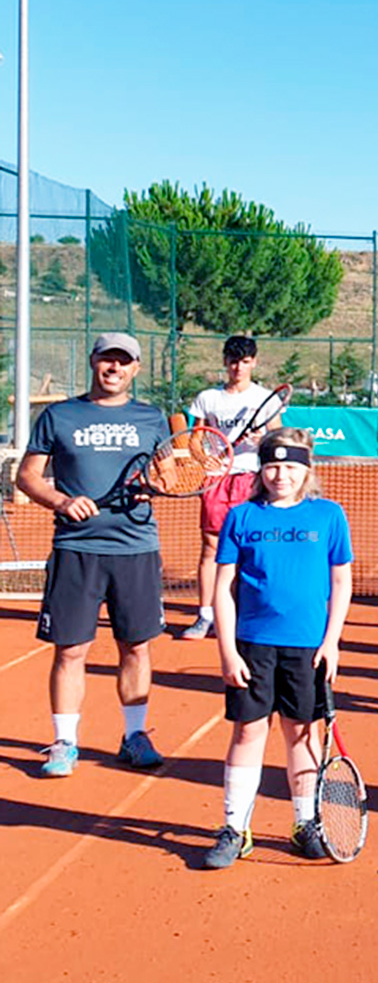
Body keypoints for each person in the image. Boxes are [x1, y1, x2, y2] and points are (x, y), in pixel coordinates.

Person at [16, 333, 172, 777]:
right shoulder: (59, 415)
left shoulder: (152, 418)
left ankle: (135, 736)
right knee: (70, 649)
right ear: (93, 361)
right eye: (108, 359)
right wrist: (62, 501)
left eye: (124, 361)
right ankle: (64, 743)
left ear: (135, 368)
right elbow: (28, 476)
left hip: (135, 548)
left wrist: (153, 487)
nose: (114, 368)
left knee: (136, 646)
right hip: (76, 547)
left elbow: (168, 476)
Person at [201, 429, 355, 868]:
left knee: (302, 734)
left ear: (307, 470)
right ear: (260, 470)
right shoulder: (241, 517)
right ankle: (235, 828)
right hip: (252, 646)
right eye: (272, 466)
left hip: (308, 649)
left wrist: (332, 641)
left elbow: (341, 580)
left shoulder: (329, 516)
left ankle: (305, 823)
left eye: (290, 467)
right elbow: (223, 587)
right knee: (248, 732)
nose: (280, 475)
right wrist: (228, 651)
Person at [178, 335, 276, 640]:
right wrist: (203, 458)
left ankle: (247, 614)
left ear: (254, 362)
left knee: (255, 547)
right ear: (225, 362)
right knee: (211, 547)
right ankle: (205, 616)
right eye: (234, 361)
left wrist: (263, 440)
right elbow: (196, 439)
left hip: (252, 479)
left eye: (245, 362)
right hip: (217, 479)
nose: (239, 368)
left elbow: (278, 438)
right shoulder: (208, 398)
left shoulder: (265, 398)